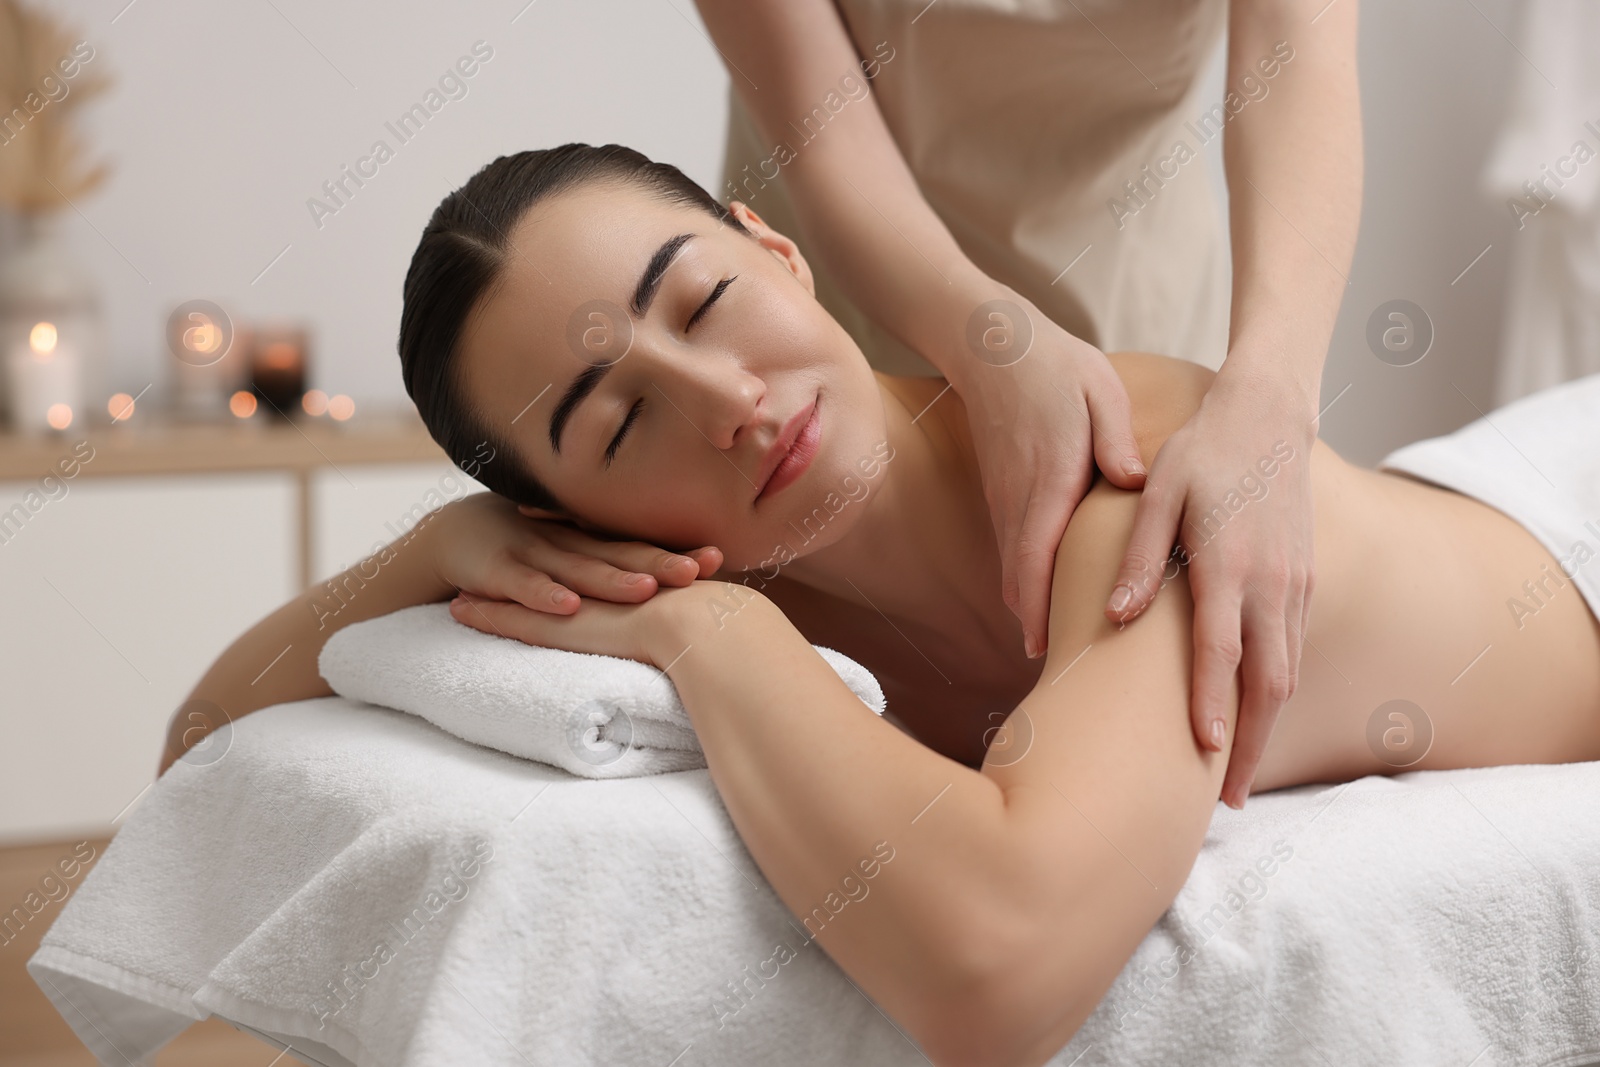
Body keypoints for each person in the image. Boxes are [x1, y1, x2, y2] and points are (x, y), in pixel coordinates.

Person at [161, 146, 1600, 1064]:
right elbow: (207, 738)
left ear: (776, 248)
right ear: (570, 520)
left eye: (708, 301)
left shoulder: (1133, 468)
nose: (731, 400)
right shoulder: (763, 593)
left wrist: (706, 635)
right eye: (618, 425)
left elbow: (1003, 972)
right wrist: (437, 543)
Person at [691, 0, 1364, 810]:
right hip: (860, 324)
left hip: (1134, 309)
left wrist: (1273, 393)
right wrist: (985, 342)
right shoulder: (751, 466)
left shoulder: (1143, 458)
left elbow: (1299, 63)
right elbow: (826, 136)